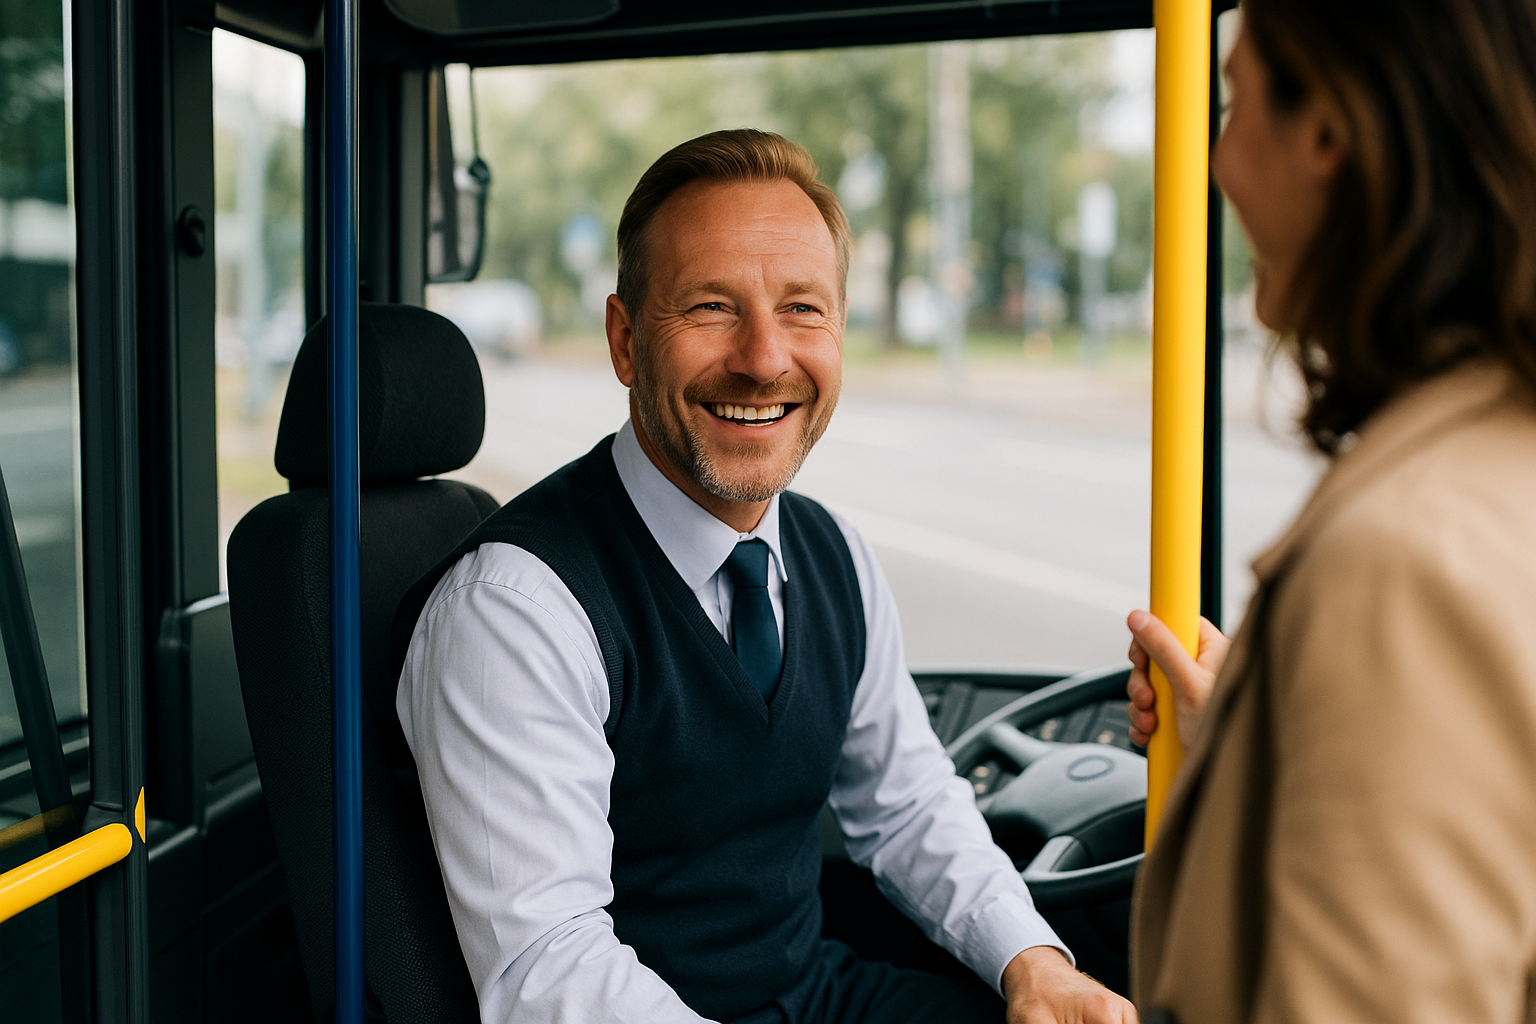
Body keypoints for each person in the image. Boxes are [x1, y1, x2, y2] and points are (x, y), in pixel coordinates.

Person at [396, 130, 1135, 1024]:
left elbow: (906, 806)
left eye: (802, 309)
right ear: (627, 342)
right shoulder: (513, 609)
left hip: (821, 996)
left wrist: (1031, 960)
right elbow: (550, 972)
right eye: (711, 306)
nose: (764, 358)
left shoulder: (834, 556)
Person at [1124, 2, 1536, 1021]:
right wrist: (1263, 733)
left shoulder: (1403, 564)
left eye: (1233, 104)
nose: (1216, 163)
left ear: (1327, 135)